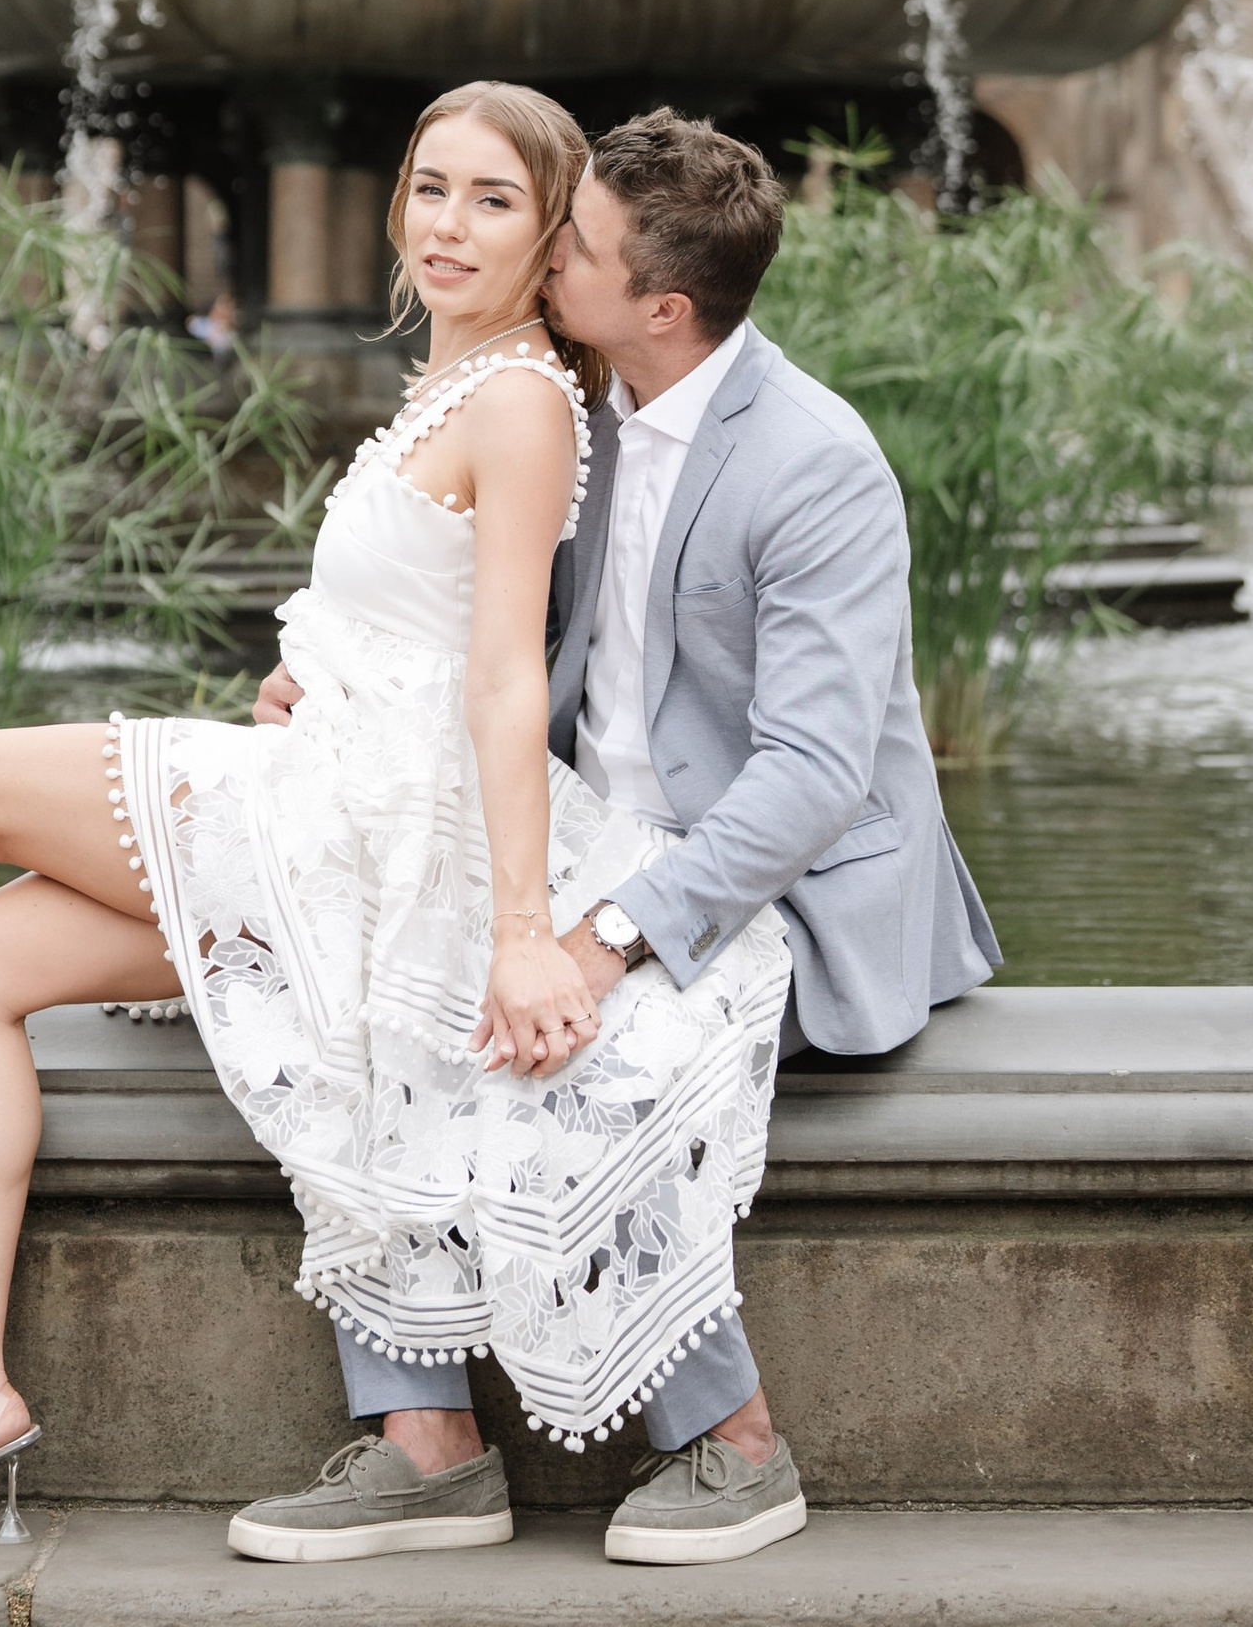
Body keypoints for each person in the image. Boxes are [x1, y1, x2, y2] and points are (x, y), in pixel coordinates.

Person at [236, 104, 997, 1568]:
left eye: (568, 248)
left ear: (659, 304)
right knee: (382, 1002)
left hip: (778, 889)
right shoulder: (571, 410)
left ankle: (736, 1442)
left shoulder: (817, 465)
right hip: (590, 838)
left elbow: (814, 777)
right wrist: (321, 679)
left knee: (581, 1057)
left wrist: (603, 934)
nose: (540, 266)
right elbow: (479, 630)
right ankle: (423, 1439)